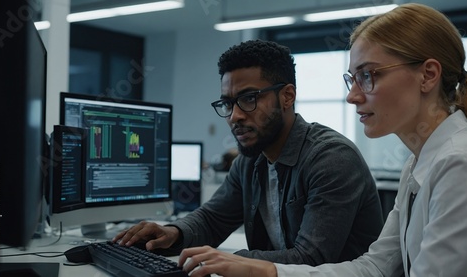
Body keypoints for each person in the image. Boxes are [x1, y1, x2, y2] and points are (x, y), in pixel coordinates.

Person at [177, 3, 467, 277]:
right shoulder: (418, 164)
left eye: (368, 75)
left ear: (428, 75)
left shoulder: (461, 162)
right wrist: (267, 269)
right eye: (353, 79)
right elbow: (375, 267)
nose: (352, 96)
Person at [113, 39, 384, 266]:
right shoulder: (250, 160)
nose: (234, 116)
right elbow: (212, 219)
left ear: (287, 96)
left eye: (249, 99)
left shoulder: (331, 159)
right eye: (228, 103)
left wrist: (226, 259)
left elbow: (311, 258)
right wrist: (172, 232)